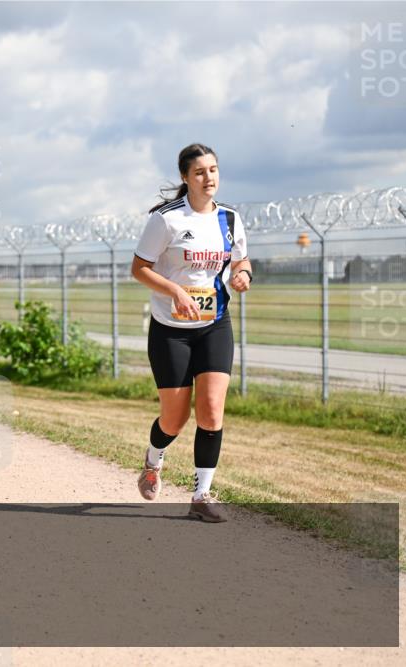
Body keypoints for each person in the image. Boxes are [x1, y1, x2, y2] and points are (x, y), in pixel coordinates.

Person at [130, 143, 252, 523]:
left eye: (213, 170)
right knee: (175, 419)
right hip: (171, 330)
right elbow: (139, 269)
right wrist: (175, 291)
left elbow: (241, 258)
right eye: (199, 172)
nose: (208, 178)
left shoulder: (230, 219)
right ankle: (154, 459)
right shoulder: (166, 220)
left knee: (212, 409)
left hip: (215, 324)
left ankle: (201, 495)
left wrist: (243, 274)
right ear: (186, 177)